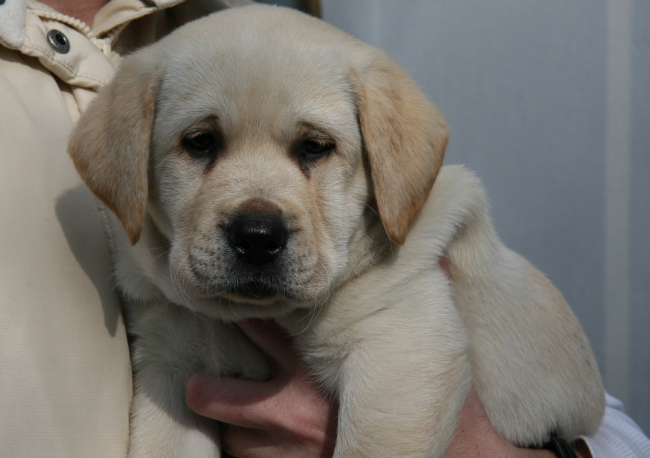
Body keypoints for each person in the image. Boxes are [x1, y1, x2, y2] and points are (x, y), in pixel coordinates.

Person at [1, 1, 648, 457]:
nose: (258, 221)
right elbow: (176, 406)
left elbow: (413, 370)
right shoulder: (171, 78)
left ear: (384, 165)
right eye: (201, 143)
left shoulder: (250, 28)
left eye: (312, 148)